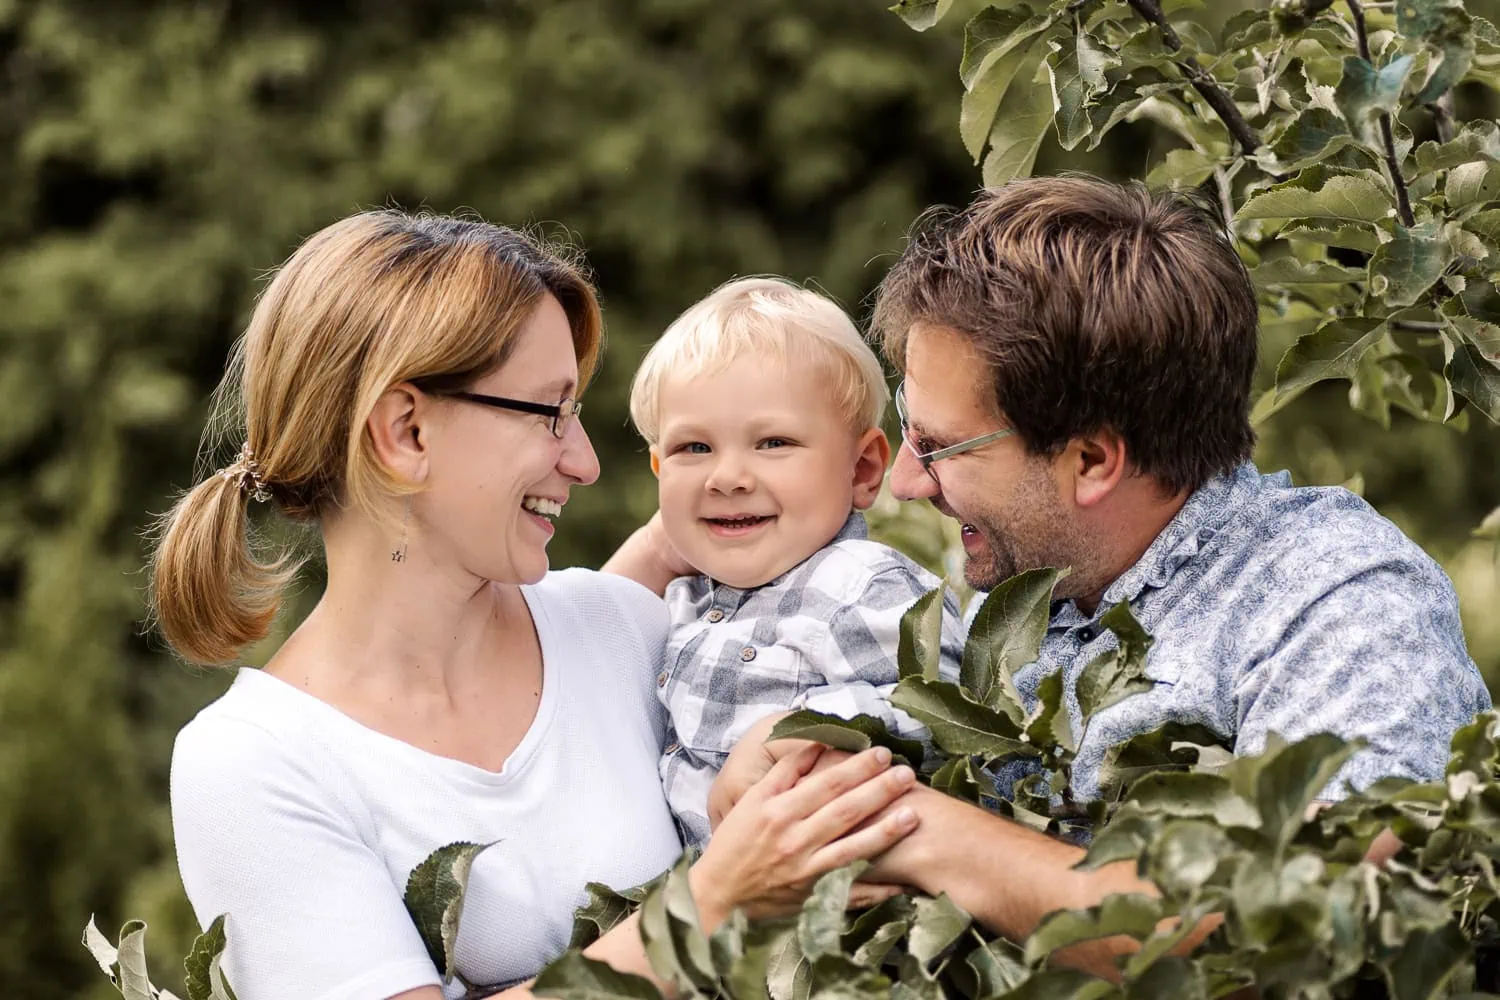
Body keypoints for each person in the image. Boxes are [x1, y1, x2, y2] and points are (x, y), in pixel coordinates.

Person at [712, 175, 1491, 976]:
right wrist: (808, 756)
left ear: (1091, 461)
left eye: (939, 447)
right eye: (908, 426)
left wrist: (919, 832)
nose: (908, 481)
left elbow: (1309, 916)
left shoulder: (1335, 596)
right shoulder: (1027, 590)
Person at [156, 211, 922, 1000]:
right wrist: (715, 901)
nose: (585, 462)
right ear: (405, 432)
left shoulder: (627, 628)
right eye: (550, 412)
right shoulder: (255, 761)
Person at [623, 277, 964, 847]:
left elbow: (941, 710)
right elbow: (575, 663)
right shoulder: (682, 603)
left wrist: (790, 733)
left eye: (773, 442)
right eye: (694, 448)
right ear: (659, 469)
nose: (727, 477)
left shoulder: (855, 583)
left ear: (861, 470)